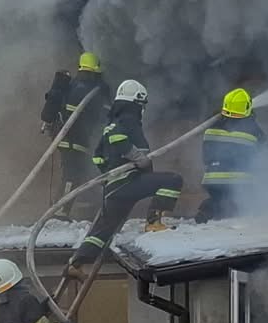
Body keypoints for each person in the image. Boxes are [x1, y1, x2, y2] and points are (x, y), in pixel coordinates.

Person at [67, 79, 183, 273]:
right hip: (129, 182)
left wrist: (107, 174)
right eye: (142, 104)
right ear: (136, 102)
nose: (142, 109)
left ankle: (76, 263)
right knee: (173, 180)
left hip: (114, 188)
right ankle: (154, 222)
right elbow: (118, 138)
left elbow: (97, 156)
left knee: (103, 230)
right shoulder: (128, 118)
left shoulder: (111, 123)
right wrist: (138, 158)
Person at [41, 50, 108, 203]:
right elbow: (102, 115)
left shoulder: (72, 85)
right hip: (75, 140)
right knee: (72, 176)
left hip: (65, 137)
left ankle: (75, 205)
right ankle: (61, 210)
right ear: (95, 70)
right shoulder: (89, 89)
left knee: (77, 174)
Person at [195, 87, 264, 223]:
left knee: (218, 199)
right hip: (239, 180)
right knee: (243, 202)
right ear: (247, 107)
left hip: (211, 179)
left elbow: (205, 157)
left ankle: (207, 211)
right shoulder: (252, 128)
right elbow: (264, 152)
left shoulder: (212, 127)